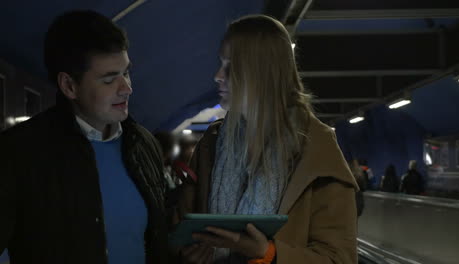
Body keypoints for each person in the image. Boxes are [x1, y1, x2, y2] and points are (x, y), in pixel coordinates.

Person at [177, 15, 359, 264]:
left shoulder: (317, 150)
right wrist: (188, 252)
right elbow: (180, 226)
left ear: (260, 72)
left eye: (231, 66)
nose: (218, 75)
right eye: (221, 63)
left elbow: (341, 258)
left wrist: (269, 255)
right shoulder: (213, 142)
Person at [0, 10, 169, 264]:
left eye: (126, 73)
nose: (127, 88)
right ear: (69, 86)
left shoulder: (143, 145)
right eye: (110, 79)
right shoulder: (18, 154)